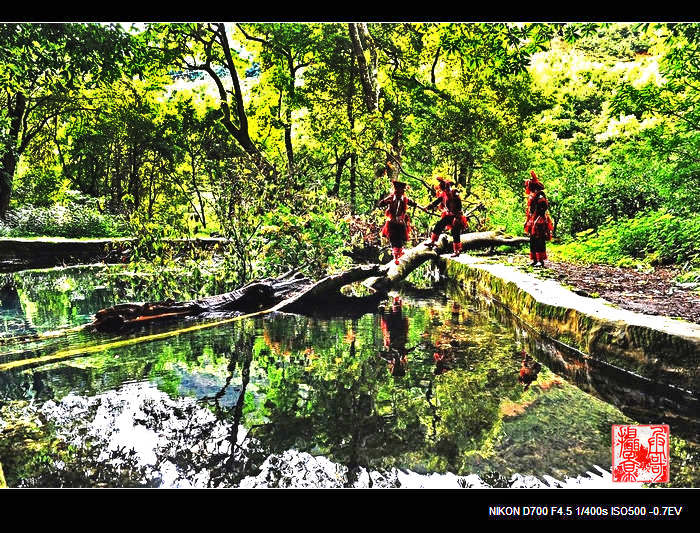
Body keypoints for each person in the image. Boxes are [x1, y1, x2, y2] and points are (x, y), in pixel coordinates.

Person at [424, 177, 468, 257]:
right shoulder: (443, 194)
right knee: (439, 225)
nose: (446, 190)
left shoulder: (455, 193)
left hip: (456, 216)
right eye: (444, 189)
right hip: (448, 215)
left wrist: (457, 217)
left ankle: (457, 251)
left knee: (455, 232)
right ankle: (433, 242)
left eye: (447, 188)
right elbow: (436, 202)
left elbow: (459, 205)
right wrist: (427, 207)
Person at [377, 180, 417, 265]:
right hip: (391, 222)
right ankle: (396, 257)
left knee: (400, 239)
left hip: (401, 222)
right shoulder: (391, 198)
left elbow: (413, 203)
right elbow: (380, 204)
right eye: (397, 190)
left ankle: (399, 253)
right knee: (393, 239)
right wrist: (385, 201)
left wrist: (420, 206)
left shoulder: (405, 199)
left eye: (401, 190)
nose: (399, 192)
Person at [524, 171, 554, 267]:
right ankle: (534, 259)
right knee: (533, 240)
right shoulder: (533, 195)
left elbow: (543, 207)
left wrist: (539, 218)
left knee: (539, 240)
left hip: (539, 220)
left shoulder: (540, 195)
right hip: (533, 219)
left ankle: (540, 261)